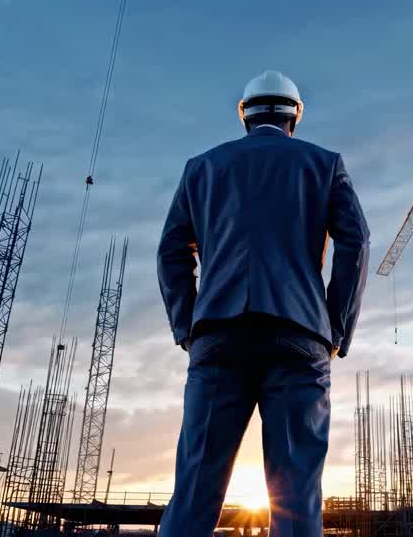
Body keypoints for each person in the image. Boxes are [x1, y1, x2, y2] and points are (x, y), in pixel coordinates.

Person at [157, 70, 371, 536]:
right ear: (295, 115)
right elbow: (356, 243)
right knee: (295, 495)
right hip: (299, 339)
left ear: (244, 115)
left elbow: (171, 252)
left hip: (217, 339)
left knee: (194, 487)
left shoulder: (201, 167)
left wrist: (188, 327)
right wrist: (335, 328)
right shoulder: (325, 163)